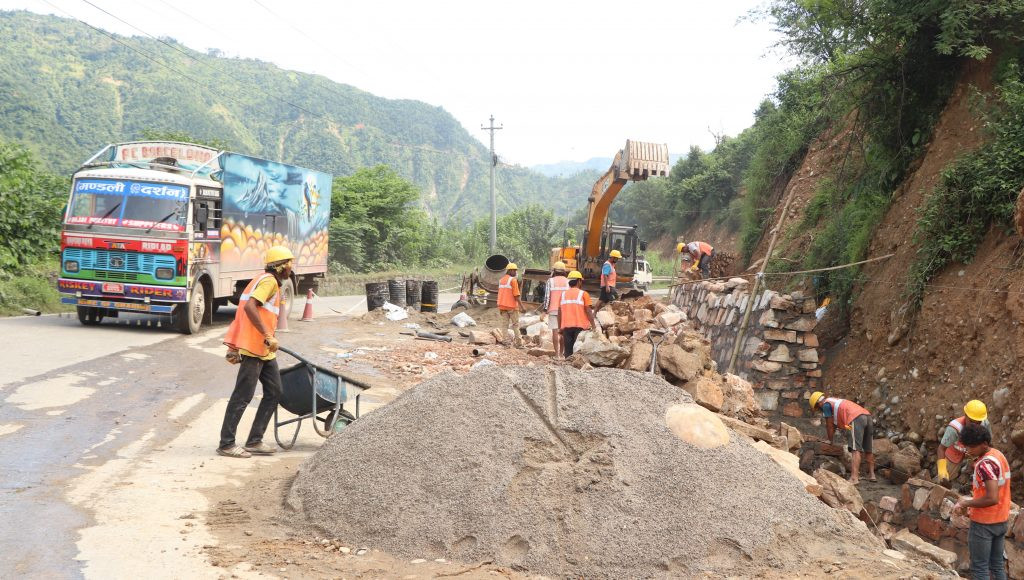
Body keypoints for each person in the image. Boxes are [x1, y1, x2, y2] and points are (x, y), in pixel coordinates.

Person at [218, 245, 294, 458]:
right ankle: (226, 444)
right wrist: (267, 336)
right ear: (281, 267)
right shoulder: (269, 281)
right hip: (254, 347)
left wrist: (235, 344)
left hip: (264, 350)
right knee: (243, 395)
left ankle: (254, 441)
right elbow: (249, 307)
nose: (291, 268)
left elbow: (243, 313)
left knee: (274, 391)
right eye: (289, 264)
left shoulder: (264, 280)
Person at [953, 422, 1011, 580]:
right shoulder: (998, 455)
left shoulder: (984, 464)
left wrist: (966, 502)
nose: (968, 451)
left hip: (984, 523)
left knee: (980, 568)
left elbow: (992, 497)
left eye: (971, 447)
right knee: (997, 565)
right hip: (1001, 519)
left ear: (984, 444)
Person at [809, 391, 876, 484]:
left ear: (818, 404)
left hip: (855, 418)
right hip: (867, 416)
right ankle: (872, 475)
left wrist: (830, 440)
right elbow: (836, 420)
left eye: (817, 408)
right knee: (868, 449)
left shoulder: (826, 405)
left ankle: (854, 478)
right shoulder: (835, 401)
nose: (819, 409)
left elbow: (829, 425)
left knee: (855, 449)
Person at [937, 400, 990, 484]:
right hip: (955, 452)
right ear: (965, 415)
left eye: (978, 422)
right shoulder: (954, 428)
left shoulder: (984, 424)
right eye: (972, 421)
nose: (975, 425)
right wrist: (942, 470)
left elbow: (988, 445)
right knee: (945, 479)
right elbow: (941, 448)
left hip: (975, 452)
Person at [558, 271, 596, 358]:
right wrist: (593, 325)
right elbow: (588, 311)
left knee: (568, 353)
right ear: (579, 281)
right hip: (580, 327)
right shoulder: (584, 294)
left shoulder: (563, 295)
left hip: (566, 327)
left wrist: (560, 327)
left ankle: (567, 369)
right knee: (578, 353)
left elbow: (559, 312)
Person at [542, 261, 570, 359]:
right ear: (564, 271)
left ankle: (556, 355)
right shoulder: (568, 281)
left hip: (553, 309)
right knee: (563, 332)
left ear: (554, 271)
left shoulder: (550, 281)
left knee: (555, 332)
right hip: (565, 310)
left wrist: (544, 310)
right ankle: (562, 354)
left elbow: (547, 297)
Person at [497, 262, 526, 348]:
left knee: (504, 325)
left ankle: (505, 342)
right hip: (512, 306)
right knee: (516, 325)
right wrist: (522, 306)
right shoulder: (513, 280)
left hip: (502, 306)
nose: (516, 272)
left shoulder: (501, 280)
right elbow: (516, 295)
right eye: (515, 271)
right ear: (510, 270)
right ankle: (519, 344)